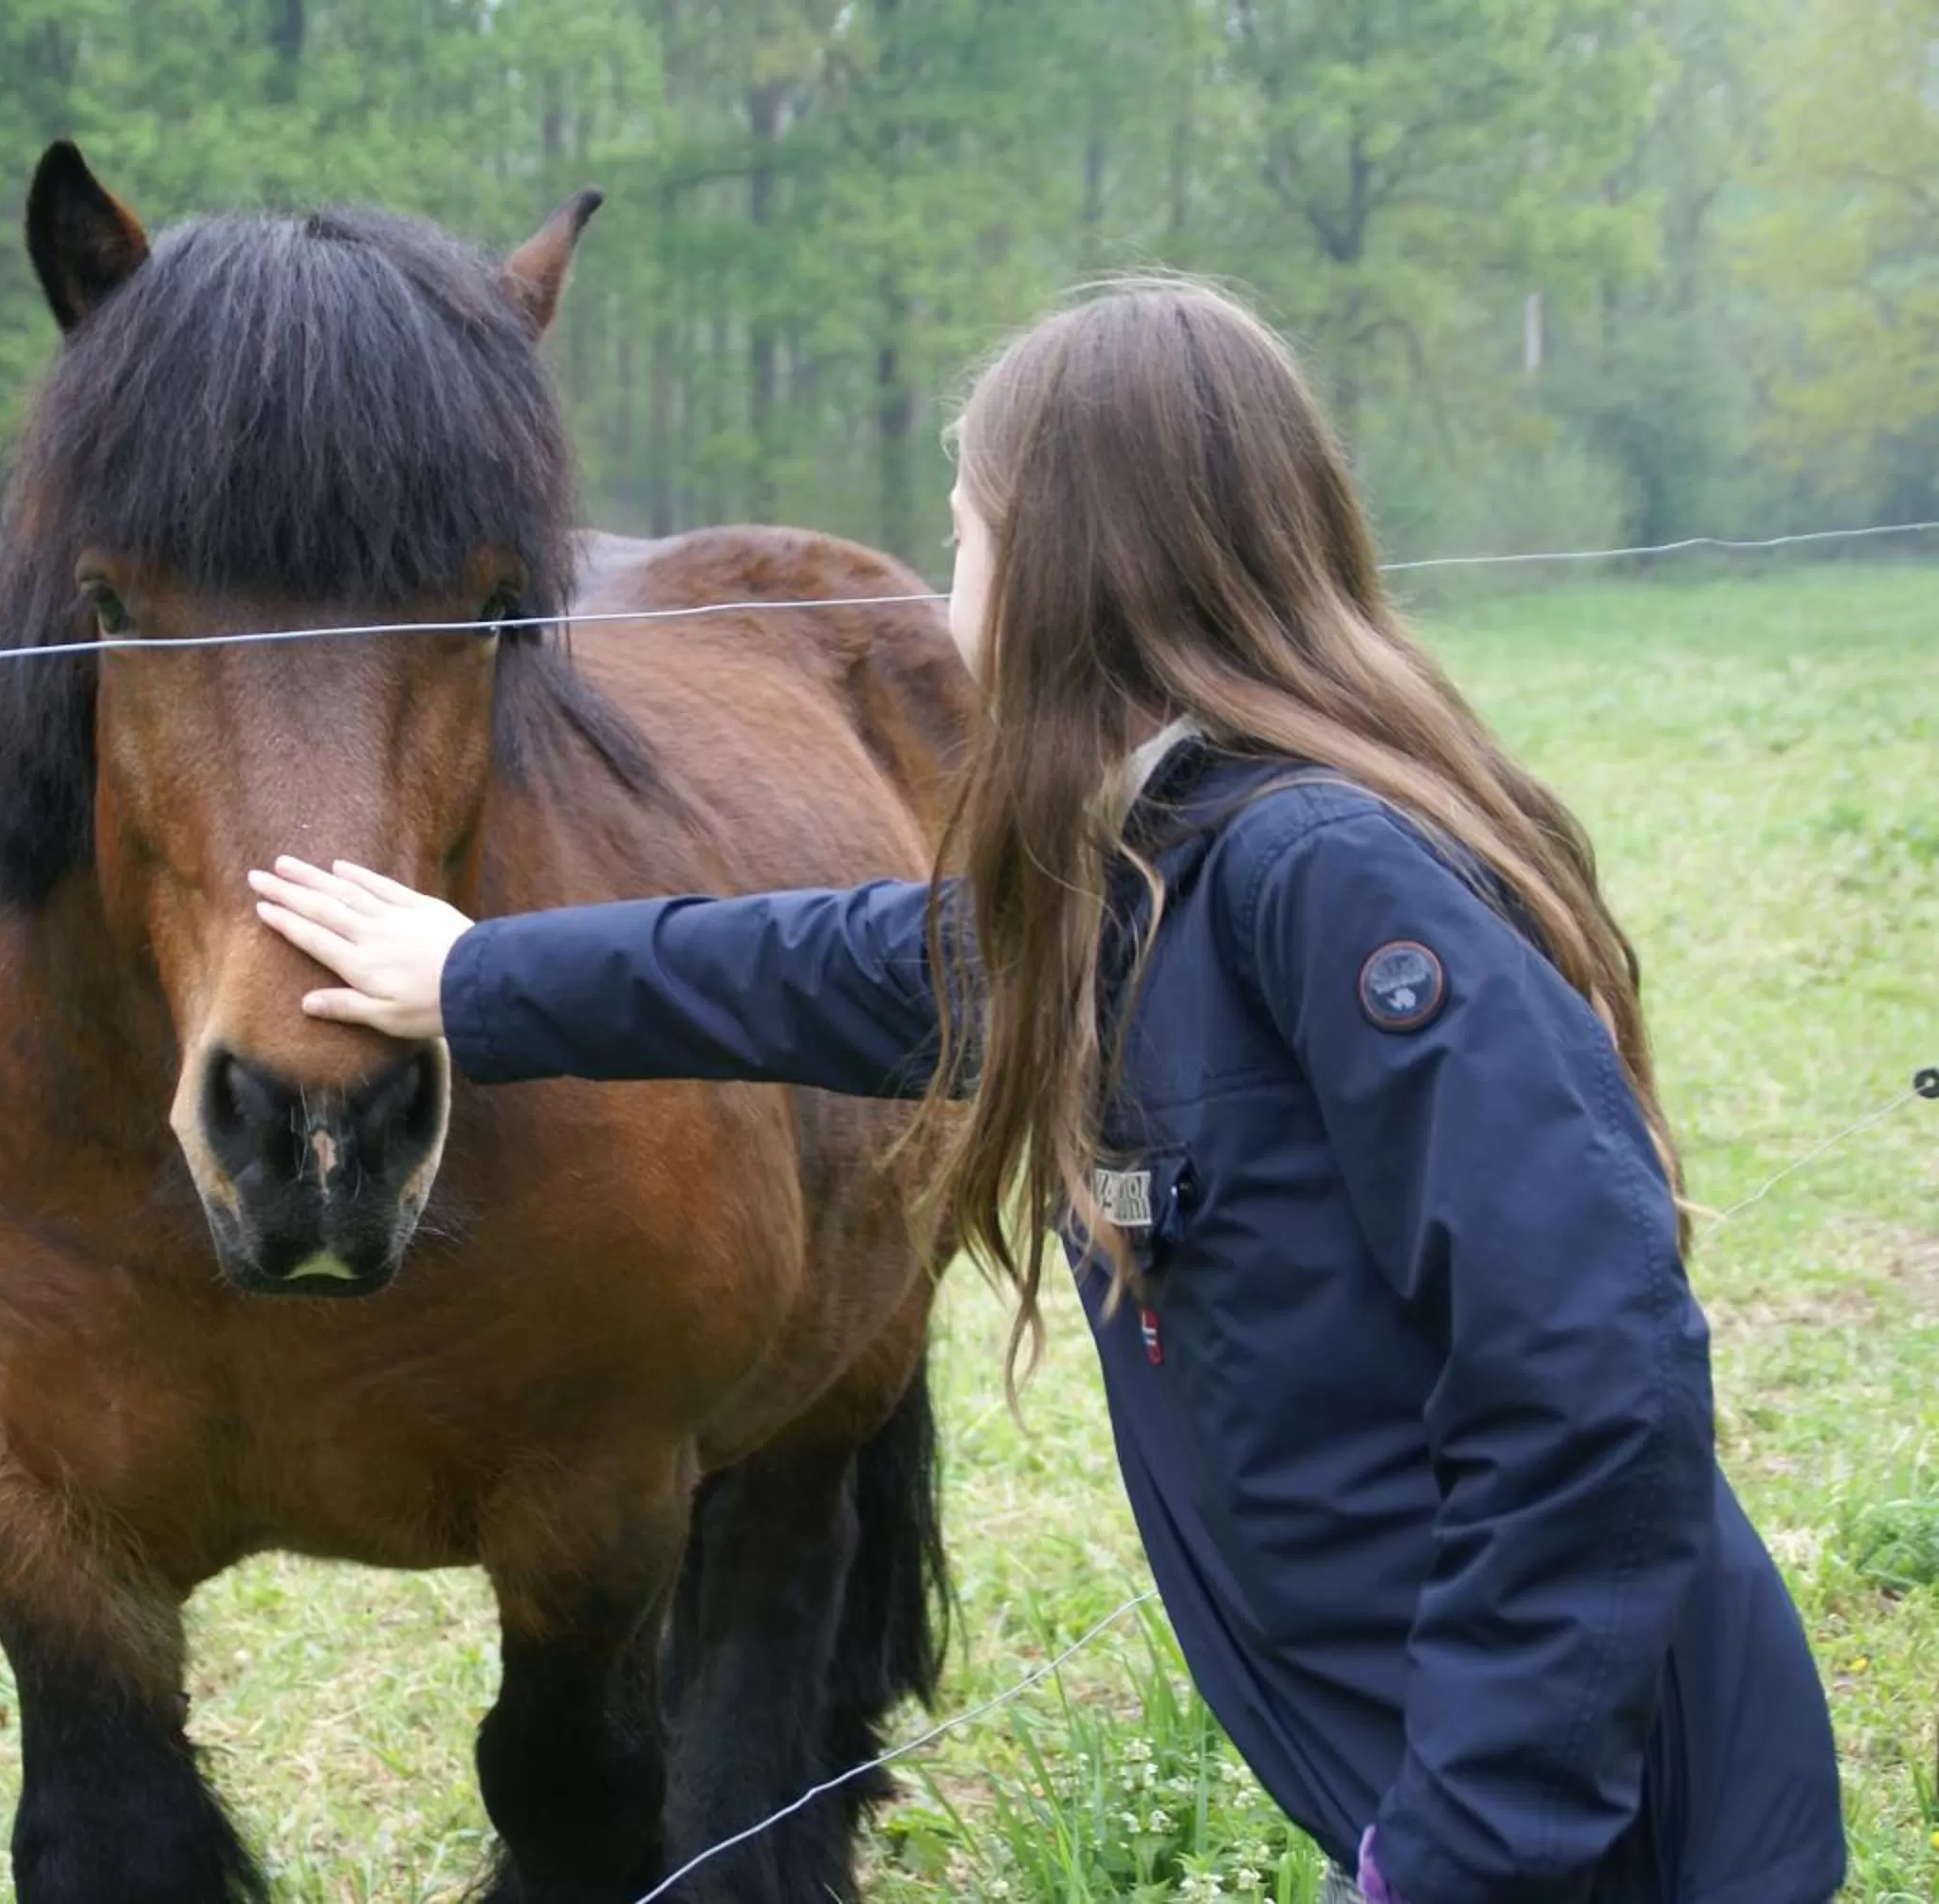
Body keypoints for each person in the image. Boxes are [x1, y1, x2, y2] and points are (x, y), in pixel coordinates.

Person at [247, 281, 1846, 1904]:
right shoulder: (1146, 880)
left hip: (1607, 1817)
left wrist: (1469, 1851)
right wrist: (476, 978)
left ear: (1073, 566)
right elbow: (825, 964)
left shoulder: (1326, 877)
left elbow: (1590, 1374)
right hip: (1472, 1782)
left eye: (967, 536)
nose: (950, 598)